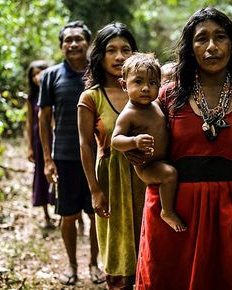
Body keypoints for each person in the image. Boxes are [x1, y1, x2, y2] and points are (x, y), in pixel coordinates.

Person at [134, 7, 232, 290]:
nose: (211, 47)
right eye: (201, 39)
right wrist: (137, 160)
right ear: (190, 47)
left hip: (225, 208)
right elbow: (140, 143)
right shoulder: (167, 94)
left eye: (220, 37)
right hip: (172, 210)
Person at [78, 22, 146, 290]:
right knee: (116, 241)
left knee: (146, 239)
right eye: (111, 50)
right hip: (111, 178)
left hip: (145, 178)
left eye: (126, 50)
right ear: (100, 56)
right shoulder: (91, 97)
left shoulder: (146, 92)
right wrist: (94, 190)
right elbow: (84, 144)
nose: (119, 57)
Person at [38, 20, 104, 285]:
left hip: (98, 157)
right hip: (64, 157)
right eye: (68, 40)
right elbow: (43, 119)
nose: (74, 44)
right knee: (68, 216)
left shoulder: (98, 74)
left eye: (79, 39)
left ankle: (94, 264)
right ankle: (72, 265)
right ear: (61, 46)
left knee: (96, 214)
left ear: (88, 44)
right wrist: (46, 158)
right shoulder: (51, 76)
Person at [111, 53, 186, 232]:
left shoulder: (157, 105)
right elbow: (115, 140)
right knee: (169, 174)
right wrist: (134, 141)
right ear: (124, 85)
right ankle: (167, 212)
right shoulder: (129, 114)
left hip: (164, 158)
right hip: (148, 166)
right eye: (138, 82)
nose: (146, 88)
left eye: (152, 83)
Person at [25, 60, 56, 229]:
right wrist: (29, 145)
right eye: (34, 74)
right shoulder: (32, 97)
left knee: (60, 173)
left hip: (56, 139)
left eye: (41, 72)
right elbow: (29, 122)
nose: (38, 77)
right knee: (40, 175)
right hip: (39, 141)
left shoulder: (55, 91)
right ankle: (45, 215)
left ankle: (65, 212)